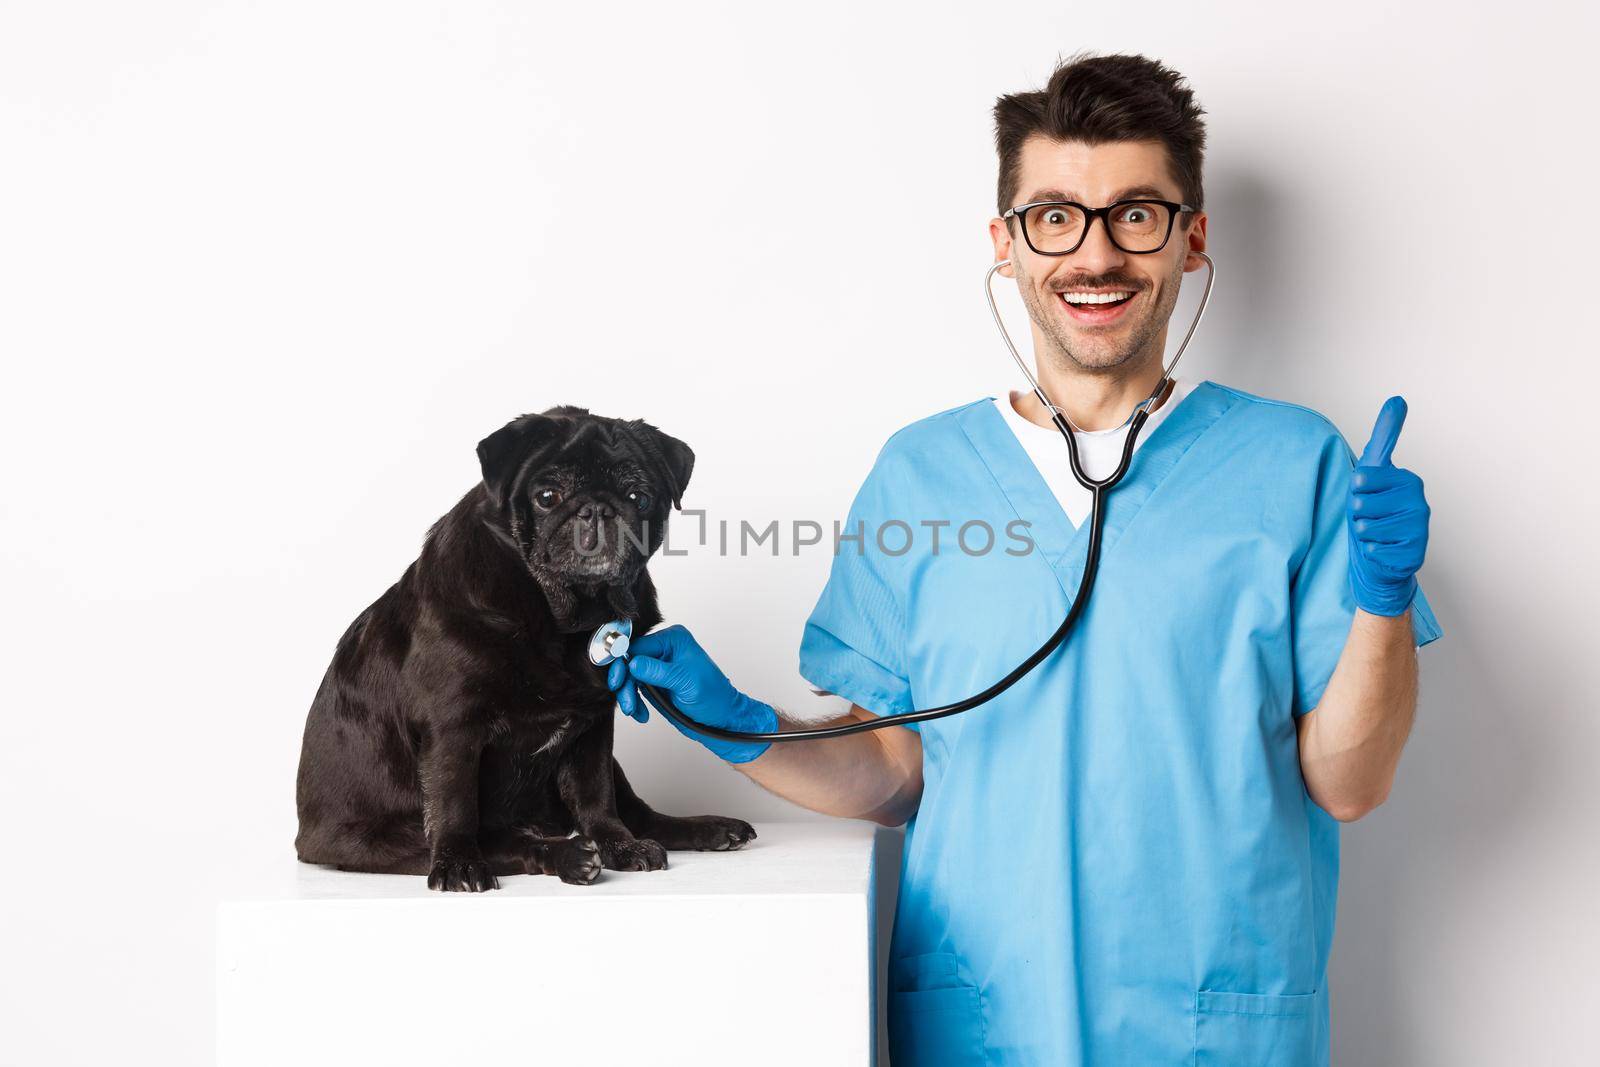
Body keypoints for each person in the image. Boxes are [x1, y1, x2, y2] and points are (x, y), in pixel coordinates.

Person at [608, 52, 1440, 1067]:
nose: (1094, 254)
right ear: (1006, 244)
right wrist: (740, 730)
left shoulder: (1296, 462)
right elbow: (892, 768)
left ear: (1192, 239)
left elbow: (1347, 784)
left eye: (1136, 213)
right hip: (989, 1026)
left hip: (1217, 1029)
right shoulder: (921, 476)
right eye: (1055, 216)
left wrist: (1382, 600)